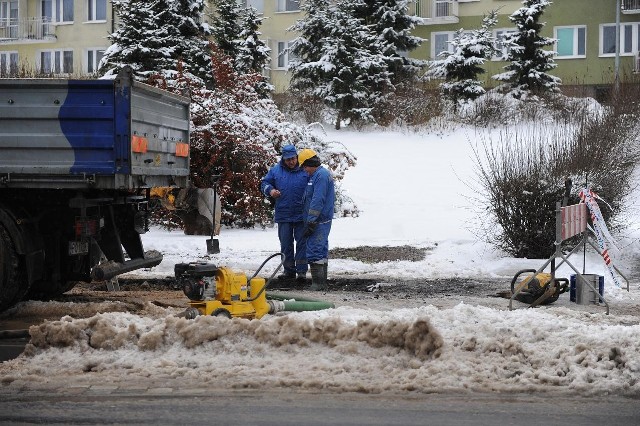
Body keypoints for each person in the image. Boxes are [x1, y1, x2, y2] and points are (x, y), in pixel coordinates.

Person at [260, 145, 309, 281]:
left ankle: (302, 272)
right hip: (284, 214)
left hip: (301, 214)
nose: (291, 162)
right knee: (286, 243)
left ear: (296, 157)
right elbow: (264, 183)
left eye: (293, 159)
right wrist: (270, 191)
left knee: (302, 243)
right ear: (283, 159)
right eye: (288, 160)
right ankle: (289, 270)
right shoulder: (276, 171)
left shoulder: (305, 170)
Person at [297, 149, 335, 291]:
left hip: (319, 220)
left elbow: (318, 200)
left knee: (315, 250)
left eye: (304, 167)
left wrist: (311, 220)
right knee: (321, 249)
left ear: (309, 163)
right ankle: (321, 282)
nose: (305, 170)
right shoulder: (318, 175)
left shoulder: (320, 176)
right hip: (320, 219)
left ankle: (318, 284)